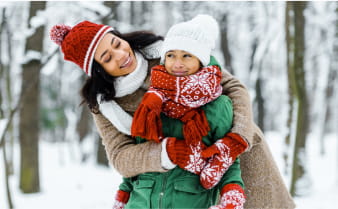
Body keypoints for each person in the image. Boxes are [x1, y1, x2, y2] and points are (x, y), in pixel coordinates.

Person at [49, 15, 296, 209]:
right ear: (98, 69)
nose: (121, 54)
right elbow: (120, 157)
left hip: (236, 157)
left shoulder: (170, 52)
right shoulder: (105, 105)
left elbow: (232, 86)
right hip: (182, 183)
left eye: (117, 43)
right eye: (107, 57)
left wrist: (238, 136)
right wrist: (164, 153)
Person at [110, 15, 247, 209]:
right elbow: (140, 153)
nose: (177, 63)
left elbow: (227, 158)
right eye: (171, 55)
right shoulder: (151, 101)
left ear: (201, 60)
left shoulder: (218, 106)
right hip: (140, 202)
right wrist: (122, 196)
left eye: (187, 55)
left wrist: (232, 195)